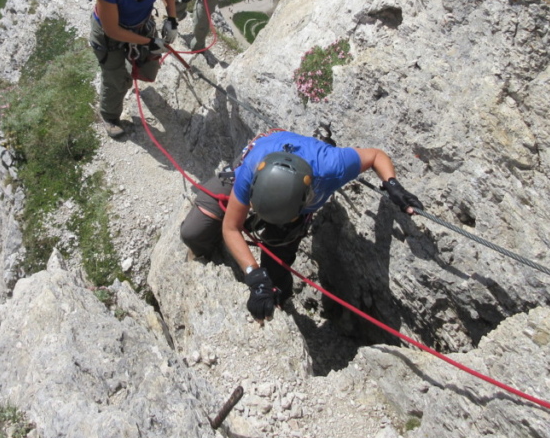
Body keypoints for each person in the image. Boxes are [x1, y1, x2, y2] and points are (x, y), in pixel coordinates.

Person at [180, 130, 424, 321]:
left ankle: (280, 299)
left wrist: (392, 185)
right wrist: (253, 275)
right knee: (193, 231)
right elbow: (231, 227)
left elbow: (375, 156)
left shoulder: (331, 166)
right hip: (263, 162)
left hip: (295, 204)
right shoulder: (252, 169)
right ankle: (205, 248)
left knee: (276, 266)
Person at [89, 0, 179, 138]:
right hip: (110, 35)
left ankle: (129, 72)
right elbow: (113, 31)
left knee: (149, 69)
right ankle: (109, 116)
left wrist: (172, 19)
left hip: (140, 25)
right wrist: (149, 42)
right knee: (115, 78)